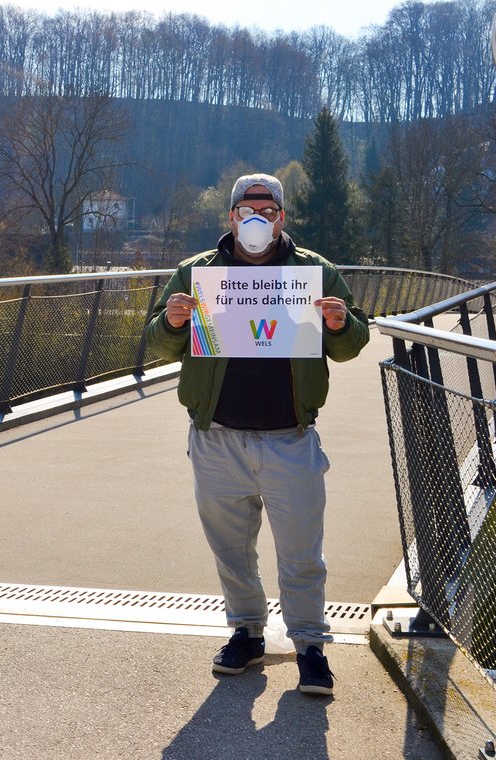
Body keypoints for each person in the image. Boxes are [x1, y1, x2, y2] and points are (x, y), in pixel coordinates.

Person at [144, 173, 369, 696]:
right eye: (248, 208)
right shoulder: (197, 272)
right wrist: (174, 322)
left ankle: (310, 646)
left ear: (281, 218)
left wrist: (340, 324)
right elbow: (158, 343)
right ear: (231, 216)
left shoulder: (314, 271)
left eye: (268, 210)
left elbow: (351, 343)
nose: (257, 218)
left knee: (301, 551)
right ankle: (246, 633)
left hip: (290, 435)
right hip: (217, 436)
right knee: (231, 548)